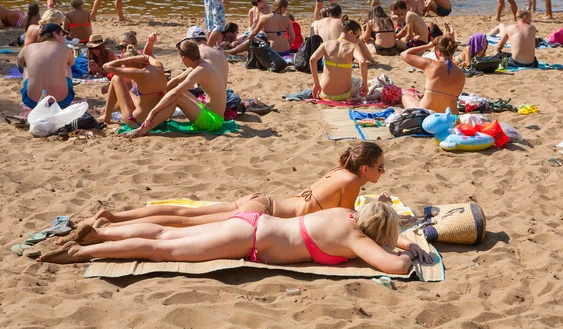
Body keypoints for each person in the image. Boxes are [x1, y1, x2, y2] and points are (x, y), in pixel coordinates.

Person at [68, 143, 393, 230]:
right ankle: (115, 222)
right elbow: (348, 222)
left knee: (185, 212)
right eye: (380, 167)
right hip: (264, 214)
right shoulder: (352, 181)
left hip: (262, 201)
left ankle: (116, 216)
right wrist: (382, 207)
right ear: (365, 168)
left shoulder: (340, 170)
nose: (382, 171)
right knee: (185, 221)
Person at [41, 201, 432, 273]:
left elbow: (384, 234)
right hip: (248, 239)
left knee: (167, 231)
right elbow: (394, 267)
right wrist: (409, 253)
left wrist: (406, 239)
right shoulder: (356, 241)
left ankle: (103, 232)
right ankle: (80, 252)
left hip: (251, 222)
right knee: (163, 249)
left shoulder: (346, 216)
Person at [123, 40, 226, 137]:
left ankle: (145, 128)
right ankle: (153, 114)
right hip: (209, 111)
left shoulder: (200, 70)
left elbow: (175, 93)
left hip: (213, 121)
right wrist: (161, 92)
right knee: (178, 91)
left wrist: (152, 112)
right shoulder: (204, 63)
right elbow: (177, 80)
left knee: (177, 97)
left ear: (184, 59)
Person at [102, 32, 167, 125]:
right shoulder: (158, 65)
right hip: (159, 119)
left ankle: (106, 117)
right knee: (130, 93)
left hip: (138, 122)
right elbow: (148, 53)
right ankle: (106, 111)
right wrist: (150, 44)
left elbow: (106, 66)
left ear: (131, 64)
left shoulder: (137, 74)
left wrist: (127, 59)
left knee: (116, 79)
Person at [400, 35, 465, 113]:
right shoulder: (461, 74)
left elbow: (404, 54)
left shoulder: (431, 64)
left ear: (438, 51)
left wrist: (428, 46)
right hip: (450, 115)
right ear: (453, 51)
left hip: (426, 113)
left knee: (405, 95)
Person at [310, 16, 368, 101]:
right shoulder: (353, 46)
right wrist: (365, 84)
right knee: (358, 81)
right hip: (345, 94)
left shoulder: (326, 44)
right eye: (357, 36)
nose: (356, 40)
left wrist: (316, 84)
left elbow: (312, 59)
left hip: (325, 94)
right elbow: (362, 62)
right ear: (351, 33)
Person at [18, 23, 75, 109]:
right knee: (68, 64)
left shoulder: (29, 47)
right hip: (62, 101)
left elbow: (19, 63)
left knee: (26, 64)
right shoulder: (65, 49)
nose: (63, 39)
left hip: (32, 102)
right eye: (62, 36)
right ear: (55, 34)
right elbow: (72, 63)